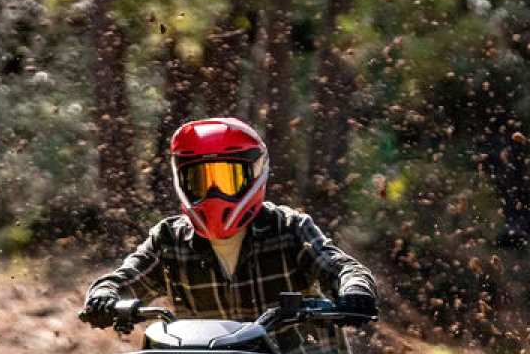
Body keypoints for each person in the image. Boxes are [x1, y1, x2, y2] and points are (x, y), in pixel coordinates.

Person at [80, 117, 378, 331]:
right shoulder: (168, 239)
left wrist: (355, 292)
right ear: (182, 181)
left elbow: (342, 269)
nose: (214, 193)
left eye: (227, 179)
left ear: (255, 175)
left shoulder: (288, 228)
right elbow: (122, 280)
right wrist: (103, 298)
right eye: (201, 180)